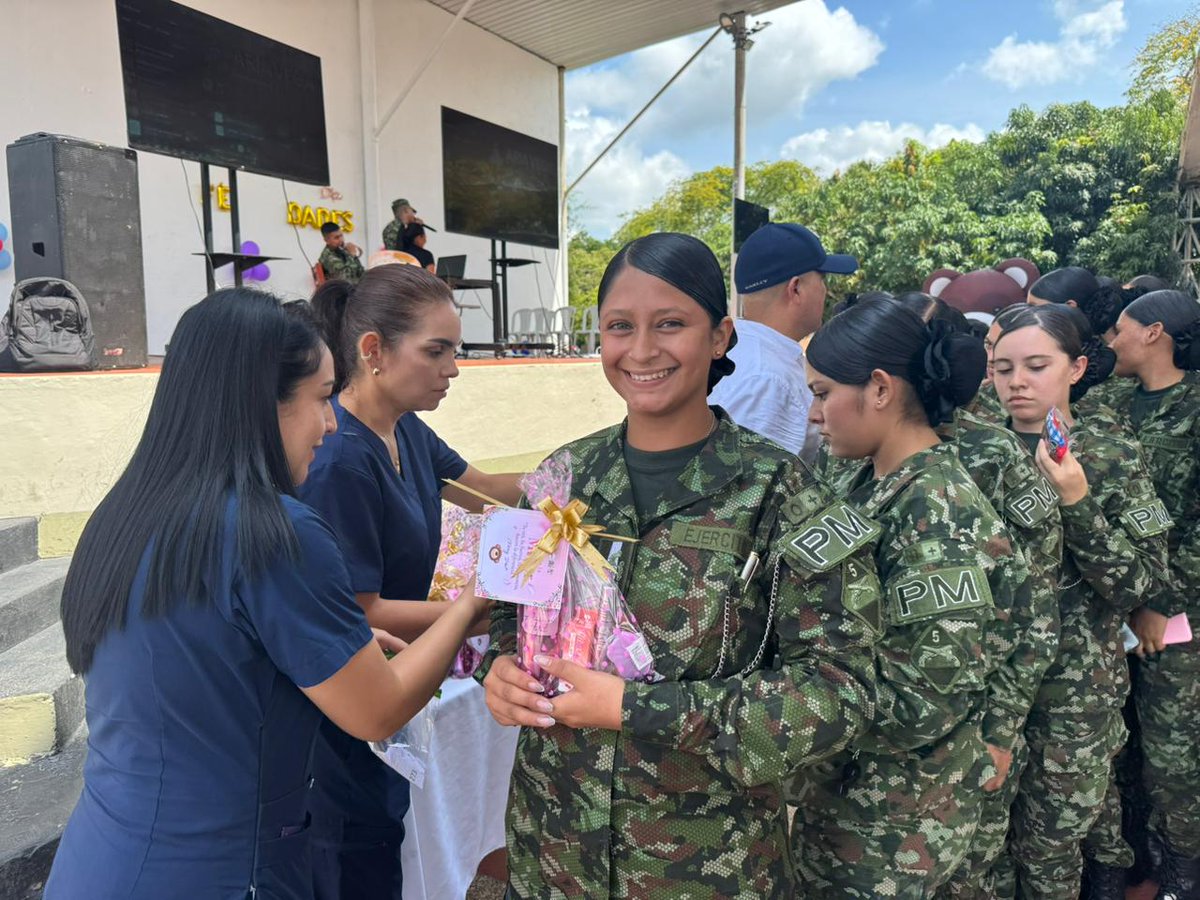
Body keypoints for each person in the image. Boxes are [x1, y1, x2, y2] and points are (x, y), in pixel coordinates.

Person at [44, 289, 489, 898]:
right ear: (260, 403)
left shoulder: (123, 514)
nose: (332, 423)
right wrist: (471, 606)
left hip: (104, 858)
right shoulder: (275, 532)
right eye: (320, 399)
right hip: (223, 871)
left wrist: (345, 640)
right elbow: (376, 711)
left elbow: (208, 654)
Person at [478, 232, 881, 898]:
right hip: (554, 854)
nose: (640, 350)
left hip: (704, 868)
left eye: (671, 324)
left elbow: (839, 694)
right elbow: (508, 622)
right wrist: (500, 673)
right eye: (619, 326)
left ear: (721, 336)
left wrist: (640, 709)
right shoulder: (560, 476)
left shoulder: (782, 494)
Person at [790, 297, 1030, 898]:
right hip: (845, 796)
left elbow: (924, 701)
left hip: (891, 821)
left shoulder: (936, 513)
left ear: (878, 389)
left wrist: (779, 726)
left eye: (822, 394)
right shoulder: (866, 478)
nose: (814, 414)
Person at [301, 264, 523, 899]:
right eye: (437, 351)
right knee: (357, 855)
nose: (453, 368)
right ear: (374, 351)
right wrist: (482, 613)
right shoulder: (340, 457)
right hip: (350, 699)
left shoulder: (405, 429)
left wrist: (590, 471)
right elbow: (360, 611)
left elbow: (487, 491)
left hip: (402, 680)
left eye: (455, 350)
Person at [990, 304, 1171, 899]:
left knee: (1052, 843)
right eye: (1002, 368)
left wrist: (1078, 501)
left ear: (1076, 368)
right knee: (982, 847)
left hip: (1075, 685)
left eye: (1037, 365)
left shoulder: (1114, 452)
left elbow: (1139, 581)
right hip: (984, 685)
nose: (1017, 381)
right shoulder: (973, 454)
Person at [886, 293, 1063, 900]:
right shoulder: (856, 459)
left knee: (969, 870)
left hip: (973, 725)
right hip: (886, 742)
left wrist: (1002, 730)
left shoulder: (994, 456)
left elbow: (1035, 610)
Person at [1105, 290, 1200, 898]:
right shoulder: (1110, 404)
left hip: (1177, 618)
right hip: (1112, 605)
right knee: (1121, 750)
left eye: (1120, 329)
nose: (1110, 340)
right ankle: (1136, 861)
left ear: (1154, 333)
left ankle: (1181, 875)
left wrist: (1160, 604)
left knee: (1172, 758)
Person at [708, 222, 857, 462]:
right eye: (822, 279)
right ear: (796, 288)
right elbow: (745, 489)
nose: (825, 291)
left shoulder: (741, 353)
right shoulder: (767, 379)